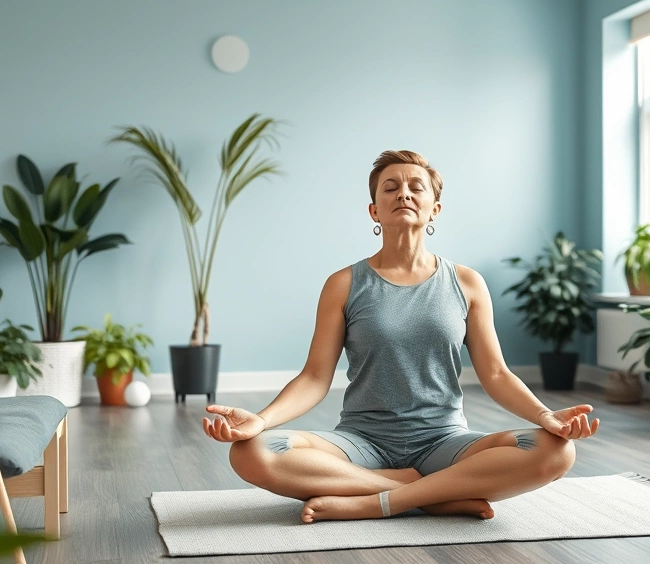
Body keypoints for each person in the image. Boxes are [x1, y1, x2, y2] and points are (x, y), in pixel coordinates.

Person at [203, 150, 600, 524]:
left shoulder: (467, 283)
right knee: (253, 452)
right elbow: (314, 377)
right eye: (390, 187)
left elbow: (495, 374)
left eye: (416, 186)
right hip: (361, 443)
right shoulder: (343, 284)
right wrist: (260, 419)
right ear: (374, 210)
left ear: (434, 209)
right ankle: (430, 495)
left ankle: (378, 502)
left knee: (555, 450)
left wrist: (545, 416)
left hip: (445, 442)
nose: (404, 193)